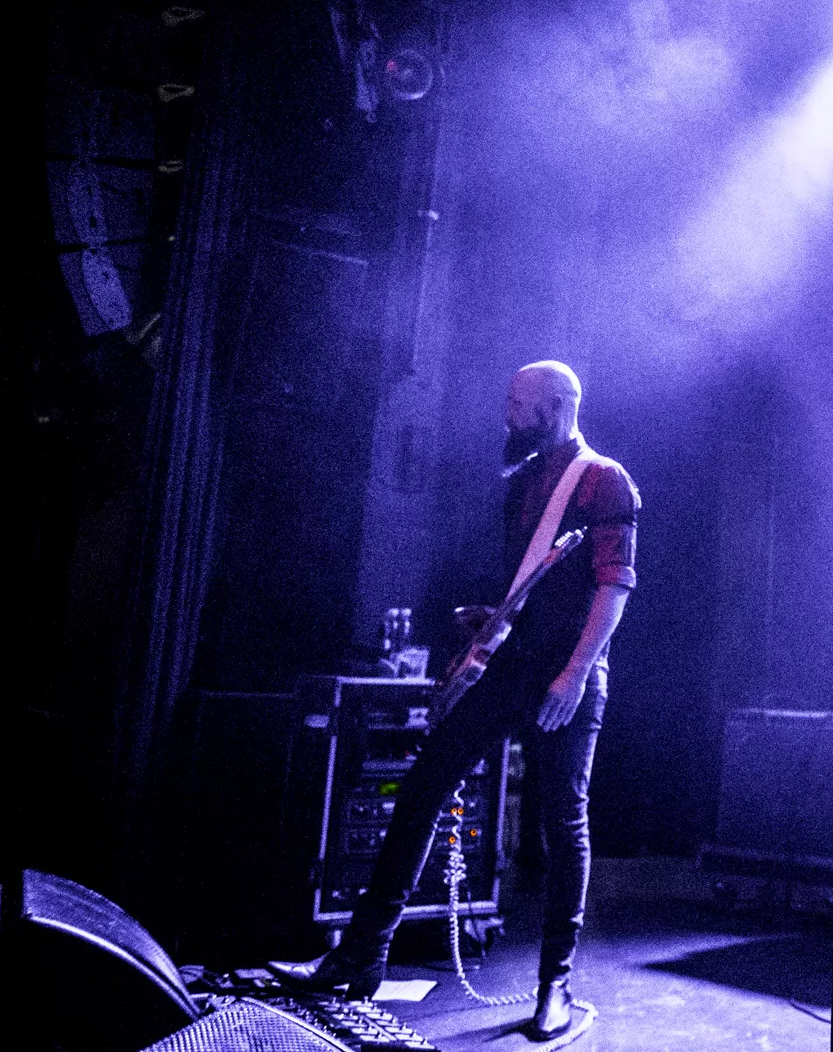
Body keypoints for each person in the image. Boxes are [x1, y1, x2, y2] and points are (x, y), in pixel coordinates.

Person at [273, 361, 638, 1041]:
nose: (508, 414)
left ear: (558, 405)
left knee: (563, 825)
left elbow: (613, 586)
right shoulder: (525, 480)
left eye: (519, 402)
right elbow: (533, 584)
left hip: (566, 678)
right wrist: (491, 617)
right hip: (510, 668)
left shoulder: (603, 478)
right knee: (423, 786)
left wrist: (574, 675)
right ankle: (362, 954)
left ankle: (555, 986)